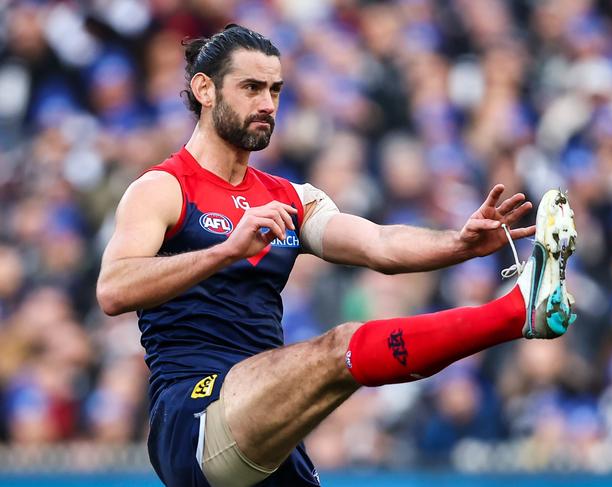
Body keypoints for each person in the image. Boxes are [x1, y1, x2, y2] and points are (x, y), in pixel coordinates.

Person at [96, 24, 577, 487]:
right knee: (337, 350)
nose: (267, 104)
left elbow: (379, 244)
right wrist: (225, 252)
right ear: (205, 89)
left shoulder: (289, 197)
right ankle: (516, 312)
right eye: (251, 88)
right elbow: (113, 290)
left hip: (268, 423)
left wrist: (458, 244)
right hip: (193, 412)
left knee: (340, 361)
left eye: (275, 90)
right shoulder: (162, 188)